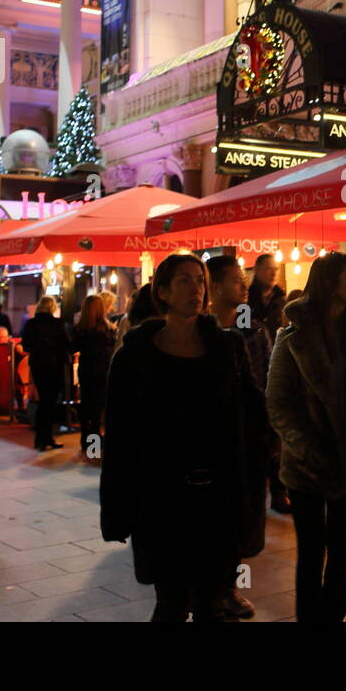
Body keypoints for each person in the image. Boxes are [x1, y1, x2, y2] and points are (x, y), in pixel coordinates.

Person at [101, 253, 267, 622]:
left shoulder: (227, 348)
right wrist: (117, 510)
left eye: (200, 280)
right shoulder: (135, 357)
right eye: (184, 281)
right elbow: (121, 439)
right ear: (163, 292)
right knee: (172, 603)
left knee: (211, 603)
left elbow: (253, 414)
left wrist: (263, 462)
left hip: (218, 497)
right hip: (163, 500)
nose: (196, 288)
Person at [266, 252, 346, 623]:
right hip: (307, 465)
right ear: (330, 283)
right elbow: (278, 402)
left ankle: (335, 613)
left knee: (341, 548)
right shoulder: (294, 337)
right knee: (311, 550)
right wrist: (305, 447)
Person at [206, 253, 276, 618]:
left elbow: (264, 385)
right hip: (208, 440)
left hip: (245, 438)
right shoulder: (197, 333)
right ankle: (207, 587)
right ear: (215, 286)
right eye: (236, 279)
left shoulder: (254, 332)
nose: (244, 283)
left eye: (243, 277)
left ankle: (228, 587)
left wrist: (266, 433)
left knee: (239, 514)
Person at [21, 296, 72, 451]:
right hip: (54, 366)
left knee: (43, 401)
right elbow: (66, 345)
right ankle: (47, 438)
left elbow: (26, 347)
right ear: (52, 308)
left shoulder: (31, 324)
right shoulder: (57, 324)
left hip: (38, 366)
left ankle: (40, 438)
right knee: (49, 403)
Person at [70, 294, 116, 454]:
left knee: (86, 404)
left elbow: (72, 348)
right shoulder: (107, 328)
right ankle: (94, 446)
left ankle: (85, 440)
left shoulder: (80, 329)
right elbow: (111, 350)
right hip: (102, 370)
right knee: (97, 410)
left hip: (86, 368)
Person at [248, 254, 285, 326]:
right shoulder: (245, 297)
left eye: (276, 269)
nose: (274, 273)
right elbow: (242, 327)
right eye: (269, 269)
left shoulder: (281, 298)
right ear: (256, 270)